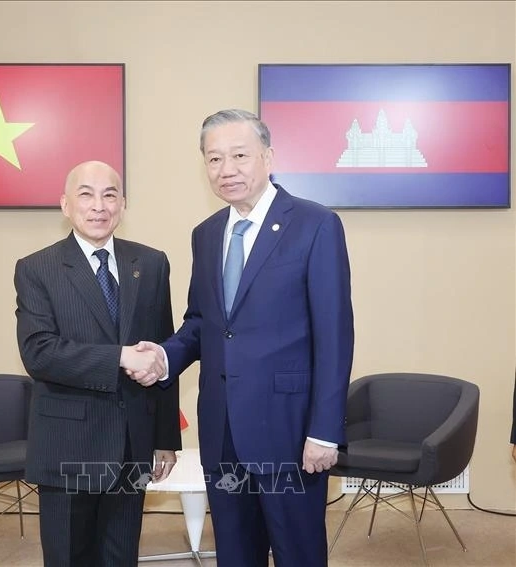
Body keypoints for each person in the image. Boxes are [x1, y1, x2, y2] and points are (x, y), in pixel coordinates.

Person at [131, 109, 354, 566]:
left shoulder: (315, 224)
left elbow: (335, 336)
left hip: (291, 431)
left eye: (239, 155)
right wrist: (164, 357)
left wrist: (325, 431)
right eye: (214, 159)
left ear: (268, 157)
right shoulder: (207, 234)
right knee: (235, 554)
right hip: (222, 430)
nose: (226, 169)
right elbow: (202, 323)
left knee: (298, 553)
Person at [14, 160, 181, 567]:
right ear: (65, 204)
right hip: (68, 445)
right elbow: (39, 352)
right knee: (70, 557)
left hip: (132, 444)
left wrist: (165, 438)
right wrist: (120, 356)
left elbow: (163, 351)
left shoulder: (151, 263)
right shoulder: (37, 268)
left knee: (121, 557)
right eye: (86, 195)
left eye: (109, 195)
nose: (99, 206)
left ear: (122, 204)